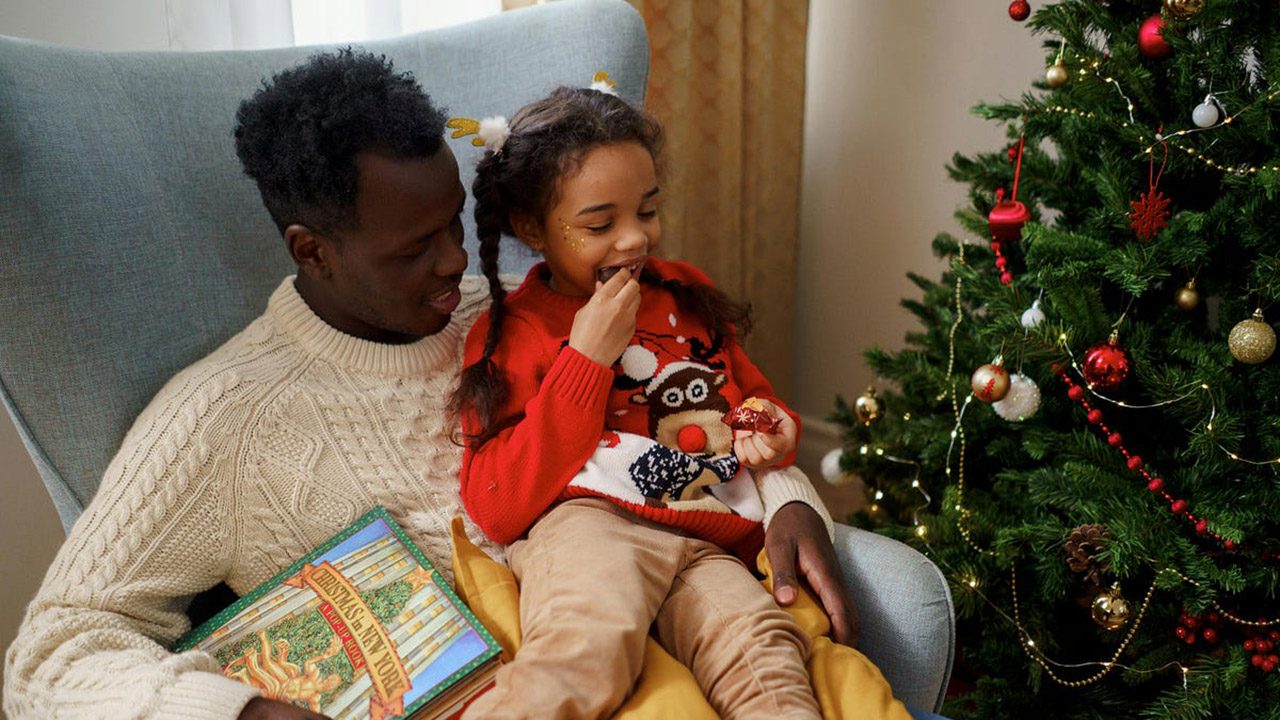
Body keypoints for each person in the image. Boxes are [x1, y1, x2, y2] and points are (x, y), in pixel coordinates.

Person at [2, 50, 853, 720]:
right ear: (312, 249)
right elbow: (52, 654)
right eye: (414, 249)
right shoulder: (220, 417)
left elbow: (688, 389)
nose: (455, 263)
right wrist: (241, 711)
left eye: (455, 223)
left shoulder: (527, 313)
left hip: (676, 640)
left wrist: (787, 495)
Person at [453, 84, 874, 720]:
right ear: (531, 227)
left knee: (768, 656)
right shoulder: (512, 331)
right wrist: (587, 360)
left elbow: (747, 396)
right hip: (588, 523)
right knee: (584, 654)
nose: (633, 240)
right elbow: (494, 503)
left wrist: (767, 427)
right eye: (599, 224)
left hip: (704, 528)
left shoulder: (685, 292)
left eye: (646, 212)